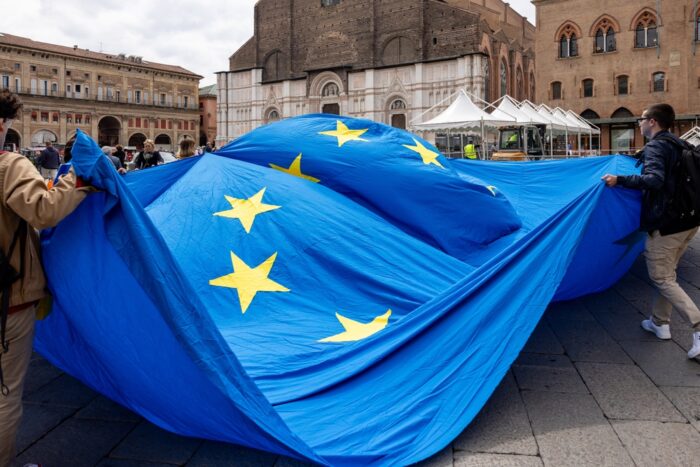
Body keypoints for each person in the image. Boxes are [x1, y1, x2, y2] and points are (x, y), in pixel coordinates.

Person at [0, 89, 93, 467]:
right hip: (8, 299)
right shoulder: (8, 165)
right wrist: (80, 180)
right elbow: (44, 210)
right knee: (4, 393)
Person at [602, 103, 700, 362]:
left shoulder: (657, 146)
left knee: (662, 278)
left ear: (653, 121)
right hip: (689, 221)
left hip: (667, 223)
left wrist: (619, 180)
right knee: (668, 274)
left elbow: (654, 180)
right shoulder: (679, 143)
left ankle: (698, 327)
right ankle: (659, 322)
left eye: (642, 118)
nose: (639, 123)